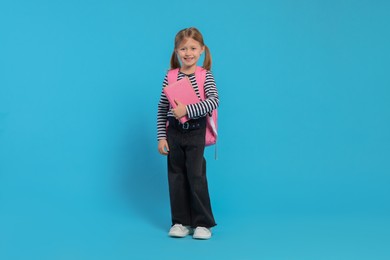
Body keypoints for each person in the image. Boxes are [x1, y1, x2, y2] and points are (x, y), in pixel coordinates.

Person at [156, 27, 219, 240]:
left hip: (195, 133)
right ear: (176, 51)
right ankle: (180, 222)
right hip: (174, 133)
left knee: (196, 175)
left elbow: (213, 101)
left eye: (193, 48)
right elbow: (163, 107)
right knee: (176, 177)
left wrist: (187, 110)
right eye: (183, 48)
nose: (188, 52)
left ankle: (202, 223)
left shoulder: (205, 76)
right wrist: (162, 137)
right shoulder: (170, 76)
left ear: (201, 50)